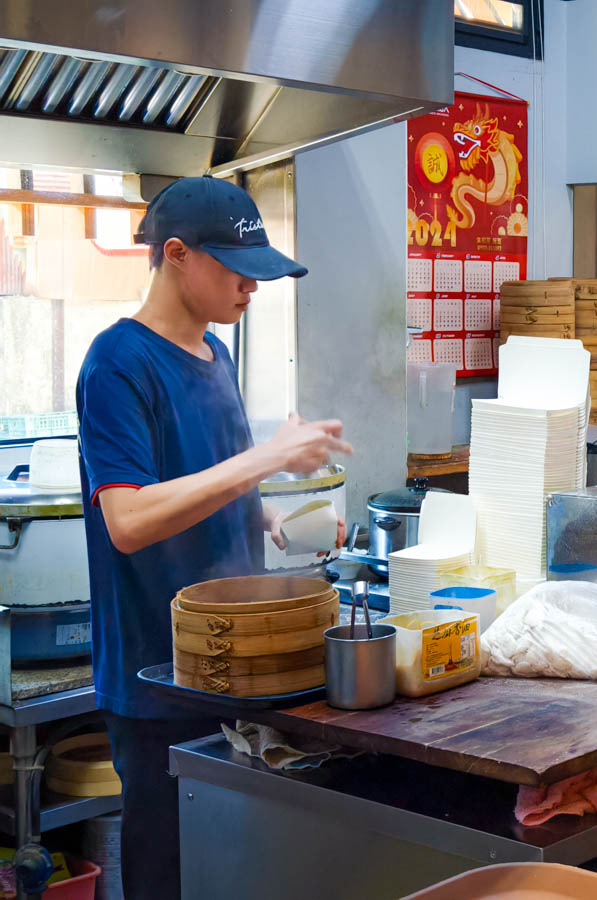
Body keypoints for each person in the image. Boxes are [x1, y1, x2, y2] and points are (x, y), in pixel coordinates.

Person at [76, 175, 352, 899]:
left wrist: (276, 521)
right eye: (239, 272)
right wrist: (266, 457)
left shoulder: (214, 354)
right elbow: (129, 520)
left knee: (232, 871)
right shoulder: (117, 363)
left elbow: (211, 483)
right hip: (158, 678)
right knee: (171, 875)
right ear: (177, 255)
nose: (251, 290)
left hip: (236, 667)